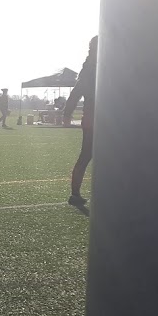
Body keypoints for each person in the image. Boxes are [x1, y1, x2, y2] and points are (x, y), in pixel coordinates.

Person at [63, 35, 98, 208]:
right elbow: (76, 93)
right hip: (95, 120)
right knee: (86, 156)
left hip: (104, 120)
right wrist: (67, 114)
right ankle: (75, 194)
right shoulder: (91, 70)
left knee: (90, 157)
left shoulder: (96, 68)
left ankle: (77, 194)